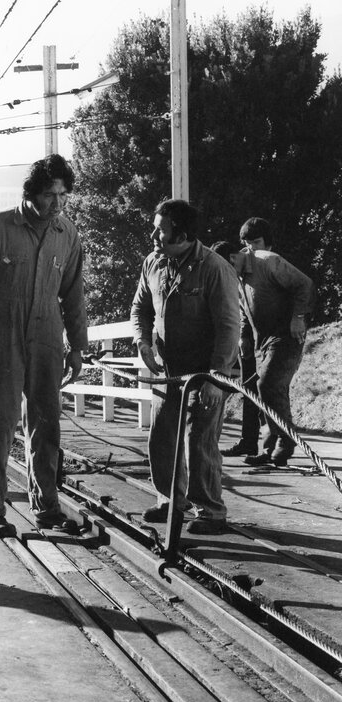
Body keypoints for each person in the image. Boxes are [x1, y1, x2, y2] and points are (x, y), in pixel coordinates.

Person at [0, 153, 87, 536]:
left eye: (63, 196)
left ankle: (47, 508)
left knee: (46, 427)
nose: (57, 204)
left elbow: (74, 294)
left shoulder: (68, 234)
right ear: (31, 193)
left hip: (47, 337)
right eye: (49, 195)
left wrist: (76, 346)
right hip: (2, 336)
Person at [131, 199, 240, 535]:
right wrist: (143, 341)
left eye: (160, 230)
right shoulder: (153, 263)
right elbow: (140, 308)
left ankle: (210, 511)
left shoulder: (214, 268)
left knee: (200, 442)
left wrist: (214, 377)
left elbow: (228, 327)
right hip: (168, 370)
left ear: (183, 234)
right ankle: (169, 500)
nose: (153, 235)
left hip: (205, 371)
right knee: (162, 436)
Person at [230, 217, 313, 467]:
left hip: (286, 336)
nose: (252, 248)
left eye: (256, 242)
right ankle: (268, 448)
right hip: (261, 341)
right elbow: (243, 307)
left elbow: (305, 284)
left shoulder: (270, 261)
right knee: (261, 390)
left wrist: (299, 317)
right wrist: (244, 336)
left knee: (268, 385)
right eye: (247, 243)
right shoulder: (239, 270)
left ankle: (285, 443)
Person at [210, 240, 261, 460]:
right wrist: (243, 336)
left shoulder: (261, 268)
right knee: (249, 391)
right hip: (249, 336)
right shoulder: (232, 277)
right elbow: (240, 308)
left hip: (269, 336)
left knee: (265, 389)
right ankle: (249, 442)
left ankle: (275, 447)